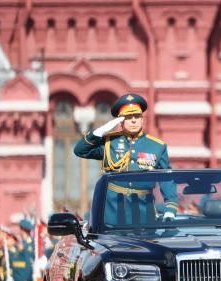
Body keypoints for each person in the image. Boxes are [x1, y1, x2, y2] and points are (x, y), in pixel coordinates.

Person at [74, 93, 178, 226]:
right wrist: (99, 132)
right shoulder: (109, 142)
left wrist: (170, 207)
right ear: (121, 121)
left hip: (143, 212)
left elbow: (166, 178)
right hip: (112, 212)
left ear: (142, 119)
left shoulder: (157, 146)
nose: (134, 120)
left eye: (137, 116)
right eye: (128, 117)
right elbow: (80, 150)